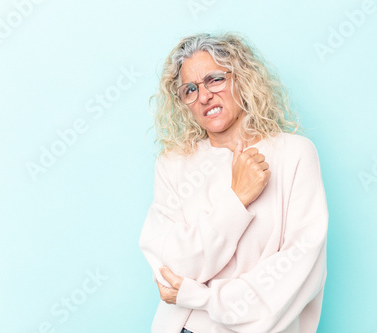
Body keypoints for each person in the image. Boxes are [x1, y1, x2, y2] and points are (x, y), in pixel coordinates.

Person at [139, 32, 329, 333]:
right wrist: (236, 199)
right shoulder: (173, 164)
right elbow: (170, 269)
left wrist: (200, 297)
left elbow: (299, 269)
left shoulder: (293, 154)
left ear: (241, 78)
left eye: (214, 79)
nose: (204, 96)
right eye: (189, 89)